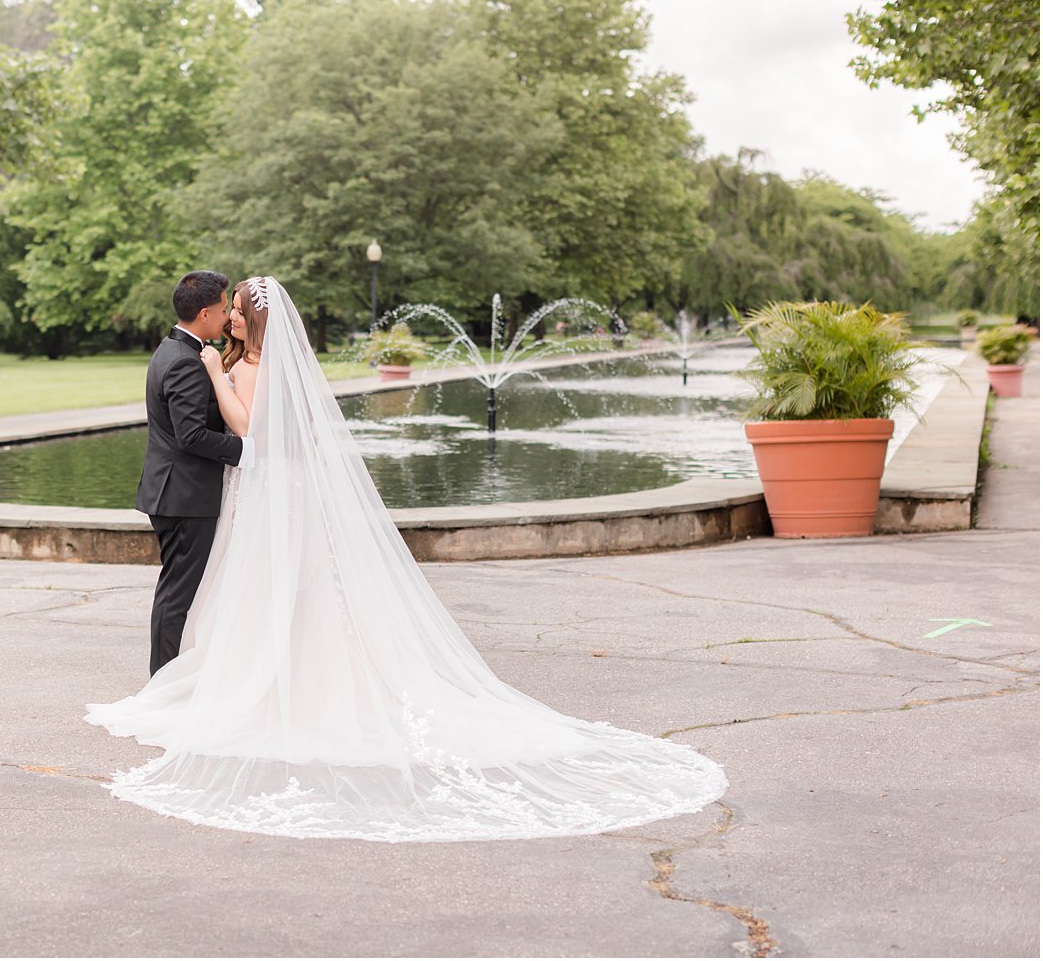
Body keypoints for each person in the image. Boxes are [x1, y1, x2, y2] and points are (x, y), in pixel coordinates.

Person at [86, 276, 728, 842]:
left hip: (266, 490)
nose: (227, 316)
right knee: (274, 589)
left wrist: (220, 375)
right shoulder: (238, 362)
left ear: (245, 320)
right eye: (223, 307)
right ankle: (236, 678)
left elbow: (248, 432)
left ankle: (249, 685)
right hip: (262, 491)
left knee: (266, 589)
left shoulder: (236, 367)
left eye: (235, 310)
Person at [133, 271, 253, 676]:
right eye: (222, 310)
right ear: (204, 313)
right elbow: (192, 436)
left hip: (173, 491)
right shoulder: (185, 361)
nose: (225, 318)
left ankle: (169, 678)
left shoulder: (173, 349)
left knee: (177, 591)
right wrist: (246, 451)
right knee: (178, 596)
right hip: (184, 497)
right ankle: (161, 684)